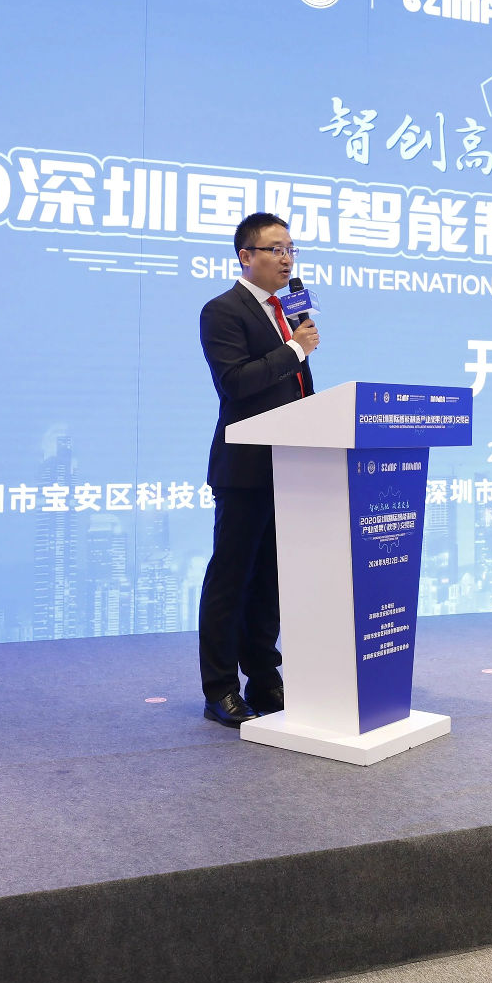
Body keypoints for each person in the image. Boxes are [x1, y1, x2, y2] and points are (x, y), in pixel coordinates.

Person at [196, 212, 320, 726]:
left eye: (291, 249)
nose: (286, 259)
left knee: (271, 580)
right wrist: (295, 349)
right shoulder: (222, 311)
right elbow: (237, 383)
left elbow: (296, 389)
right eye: (275, 249)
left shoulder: (286, 312)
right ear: (246, 256)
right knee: (231, 579)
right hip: (246, 467)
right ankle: (220, 689)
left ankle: (265, 679)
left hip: (290, 467)